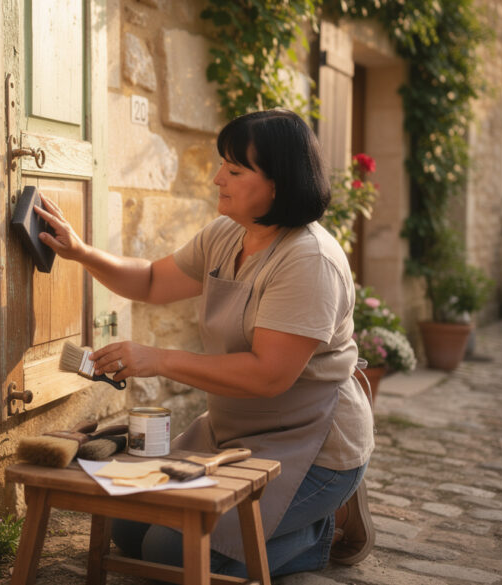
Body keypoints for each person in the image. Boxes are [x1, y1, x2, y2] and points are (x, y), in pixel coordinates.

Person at [35, 109, 375, 577]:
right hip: (234, 436)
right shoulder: (226, 234)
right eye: (223, 165)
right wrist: (80, 252)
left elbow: (268, 374)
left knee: (170, 553)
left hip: (310, 450)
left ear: (278, 184)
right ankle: (279, 534)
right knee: (128, 529)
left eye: (235, 170)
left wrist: (158, 359)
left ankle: (318, 534)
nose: (218, 178)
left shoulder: (309, 261)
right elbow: (153, 280)